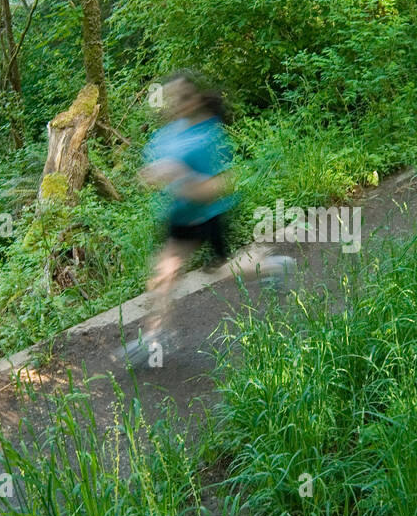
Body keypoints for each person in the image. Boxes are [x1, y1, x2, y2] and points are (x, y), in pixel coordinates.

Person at [121, 71, 295, 366]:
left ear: (196, 98)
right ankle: (155, 338)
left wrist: (180, 175)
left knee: (219, 271)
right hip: (178, 216)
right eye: (172, 98)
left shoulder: (209, 135)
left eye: (184, 97)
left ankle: (272, 267)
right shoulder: (165, 134)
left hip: (208, 216)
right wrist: (153, 176)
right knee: (162, 275)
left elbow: (221, 185)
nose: (178, 103)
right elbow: (149, 175)